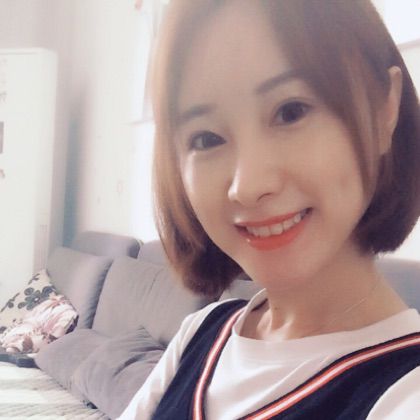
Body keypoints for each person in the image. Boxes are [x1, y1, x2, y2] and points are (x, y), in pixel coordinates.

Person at [119, 0, 420, 418]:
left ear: (385, 108)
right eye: (206, 138)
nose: (247, 187)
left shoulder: (404, 392)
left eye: (290, 111)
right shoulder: (201, 334)